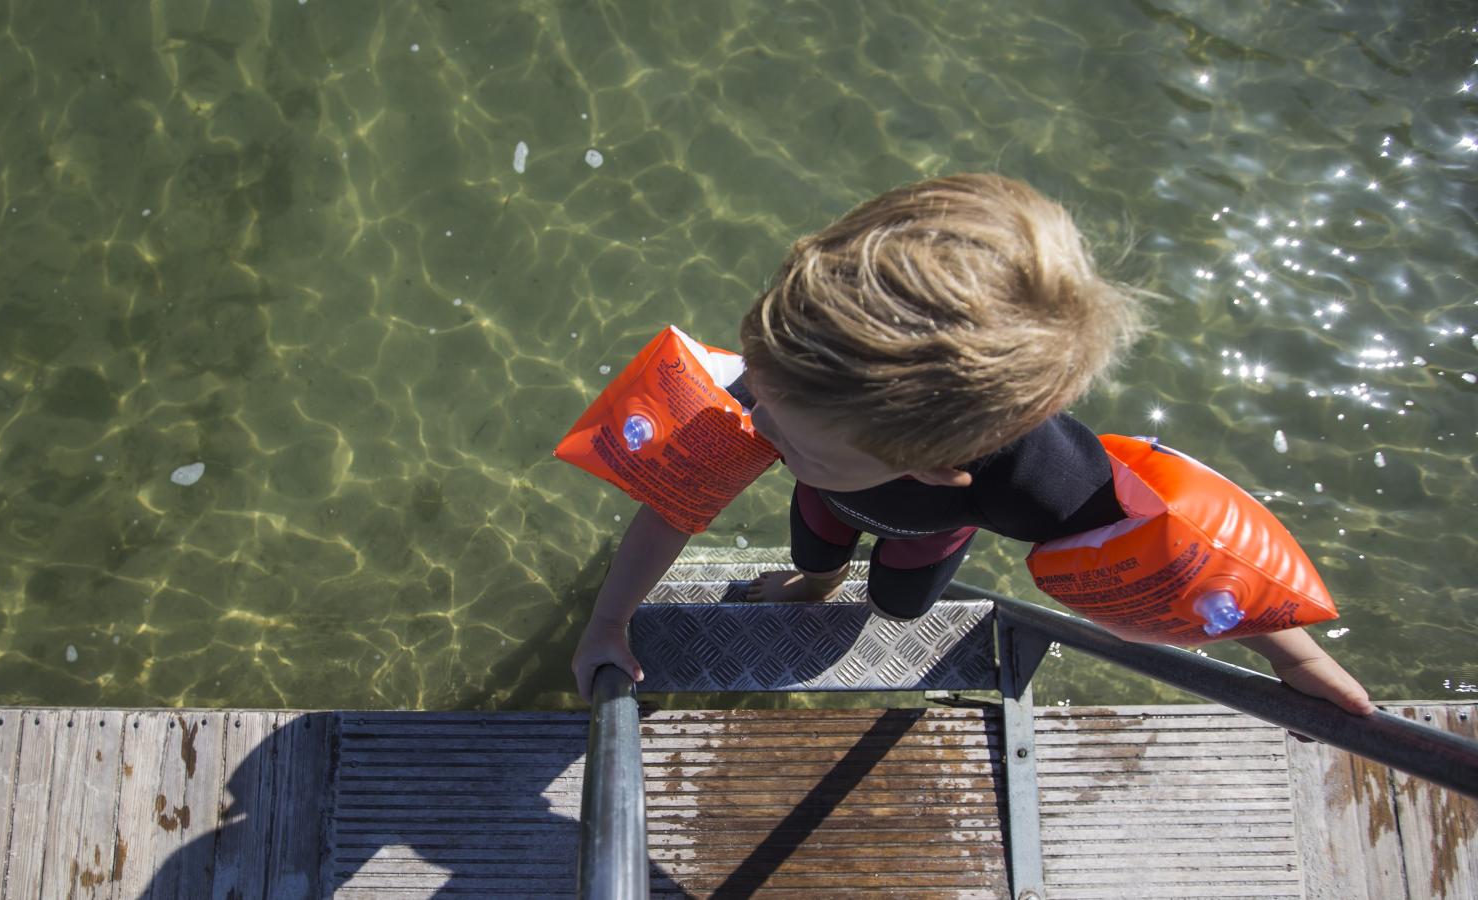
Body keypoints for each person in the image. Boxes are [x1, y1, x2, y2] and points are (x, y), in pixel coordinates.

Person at [570, 174, 1373, 717]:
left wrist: (1296, 663)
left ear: (928, 462)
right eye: (764, 388)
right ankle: (812, 585)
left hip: (931, 531)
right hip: (831, 495)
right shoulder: (793, 383)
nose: (755, 423)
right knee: (815, 552)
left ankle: (857, 587)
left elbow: (1183, 555)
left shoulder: (1041, 483)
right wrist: (610, 621)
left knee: (896, 604)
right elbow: (673, 508)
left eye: (782, 426)